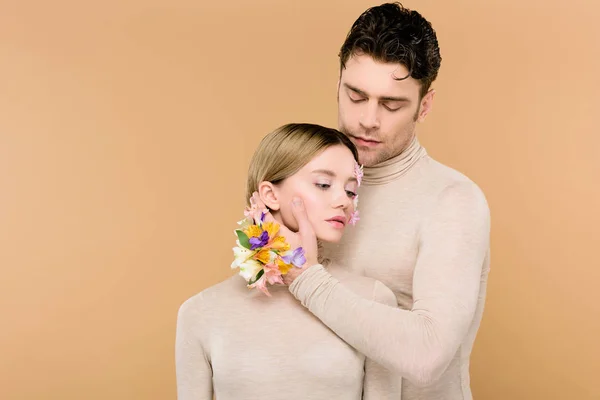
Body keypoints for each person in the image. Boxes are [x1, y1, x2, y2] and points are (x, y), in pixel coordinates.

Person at [252, 3, 491, 400]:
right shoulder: (300, 180)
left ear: (425, 105)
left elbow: (427, 356)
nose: (368, 120)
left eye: (391, 104)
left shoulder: (453, 201)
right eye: (356, 95)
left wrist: (306, 278)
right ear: (339, 83)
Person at [175, 123, 401, 400]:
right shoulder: (200, 312)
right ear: (270, 195)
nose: (344, 200)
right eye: (323, 184)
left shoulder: (375, 300)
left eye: (351, 190)